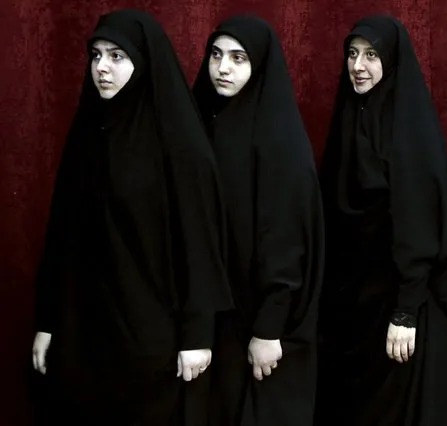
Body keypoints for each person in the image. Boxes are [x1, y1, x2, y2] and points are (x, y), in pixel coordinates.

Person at [31, 9, 233, 425]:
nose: (102, 68)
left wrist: (197, 335)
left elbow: (198, 241)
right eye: (97, 55)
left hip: (151, 338)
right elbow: (63, 238)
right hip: (84, 332)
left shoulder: (180, 145)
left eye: (118, 57)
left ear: (144, 63)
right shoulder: (88, 134)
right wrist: (48, 323)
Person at [315, 15, 447, 426]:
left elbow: (419, 229)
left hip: (404, 309)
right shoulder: (353, 118)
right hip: (357, 308)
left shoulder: (409, 132)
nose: (357, 65)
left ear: (393, 62)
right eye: (352, 53)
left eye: (371, 55)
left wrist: (406, 312)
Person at [191, 15, 324, 426]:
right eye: (215, 56)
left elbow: (286, 241)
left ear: (260, 66)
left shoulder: (277, 138)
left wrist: (269, 329)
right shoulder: (203, 123)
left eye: (238, 58)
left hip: (264, 324)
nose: (223, 68)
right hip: (218, 320)